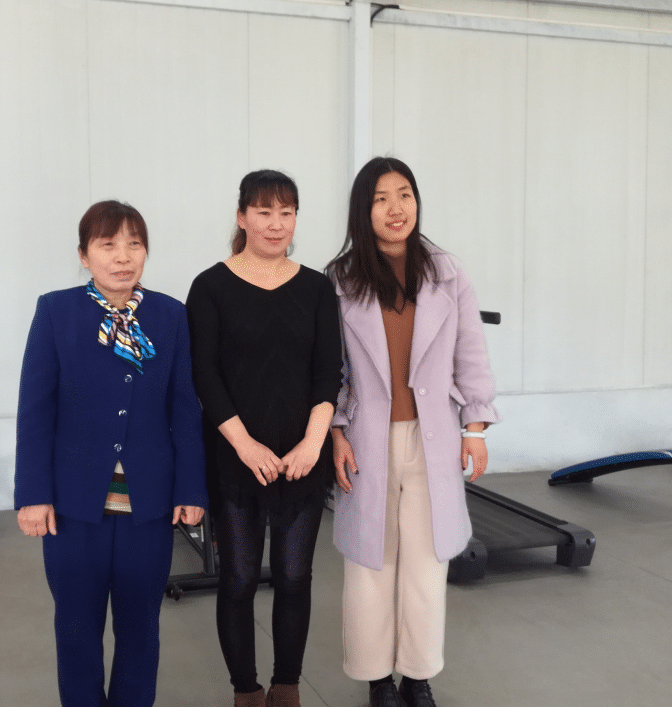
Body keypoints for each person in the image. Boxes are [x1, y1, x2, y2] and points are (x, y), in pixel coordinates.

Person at [14, 200, 207, 707]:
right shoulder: (56, 312)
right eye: (108, 245)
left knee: (141, 631)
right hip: (74, 508)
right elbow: (35, 410)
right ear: (84, 255)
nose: (123, 256)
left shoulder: (170, 315)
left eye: (134, 244)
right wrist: (32, 494)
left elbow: (185, 409)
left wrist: (191, 488)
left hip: (148, 505)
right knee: (76, 631)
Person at [326, 157, 502, 707]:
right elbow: (330, 367)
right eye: (381, 199)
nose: (396, 208)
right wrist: (335, 432)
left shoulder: (447, 272)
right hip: (366, 438)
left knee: (427, 563)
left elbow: (471, 351)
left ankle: (417, 676)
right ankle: (377, 679)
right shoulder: (340, 279)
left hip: (434, 438)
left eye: (405, 194)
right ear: (363, 210)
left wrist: (475, 428)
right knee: (370, 564)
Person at [186, 170, 343, 707]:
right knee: (238, 579)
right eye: (264, 212)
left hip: (302, 456)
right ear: (241, 217)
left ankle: (287, 687)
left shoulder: (317, 288)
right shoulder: (210, 287)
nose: (276, 224)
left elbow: (328, 373)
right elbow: (205, 374)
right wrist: (244, 444)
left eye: (287, 212)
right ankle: (246, 691)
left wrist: (313, 443)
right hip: (237, 457)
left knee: (295, 577)